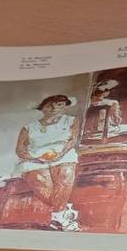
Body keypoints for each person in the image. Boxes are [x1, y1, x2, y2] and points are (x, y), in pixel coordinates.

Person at [15, 95, 81, 231]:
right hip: (35, 159)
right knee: (44, 188)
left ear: (64, 107)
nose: (54, 108)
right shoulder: (28, 128)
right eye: (49, 105)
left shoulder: (71, 121)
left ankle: (58, 219)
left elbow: (72, 141)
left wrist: (60, 154)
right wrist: (36, 158)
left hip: (63, 155)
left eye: (60, 105)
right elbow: (20, 150)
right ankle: (64, 215)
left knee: (65, 177)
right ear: (42, 107)